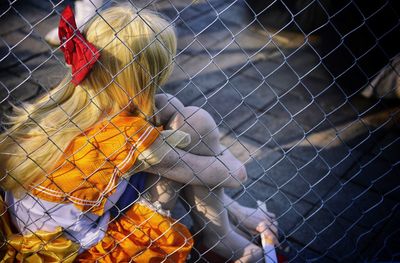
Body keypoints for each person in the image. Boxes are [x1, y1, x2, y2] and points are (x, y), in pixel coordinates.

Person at [0, 5, 277, 262]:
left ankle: (225, 226)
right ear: (148, 77)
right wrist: (214, 152)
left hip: (43, 229)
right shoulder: (127, 138)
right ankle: (219, 237)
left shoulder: (65, 101)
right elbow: (234, 174)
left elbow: (170, 120)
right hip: (84, 252)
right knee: (195, 126)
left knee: (176, 114)